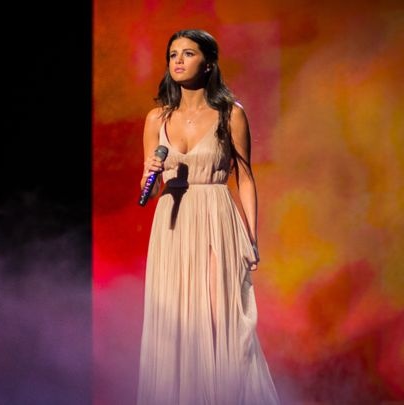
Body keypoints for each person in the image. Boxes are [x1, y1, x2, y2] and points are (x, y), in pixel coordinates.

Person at [136, 29, 280, 404]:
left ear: (208, 63)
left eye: (188, 53)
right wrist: (151, 173)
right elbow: (150, 187)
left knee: (221, 319)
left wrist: (251, 237)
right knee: (178, 322)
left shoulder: (230, 114)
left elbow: (245, 177)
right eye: (173, 54)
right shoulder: (156, 119)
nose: (178, 61)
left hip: (216, 216)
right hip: (173, 220)